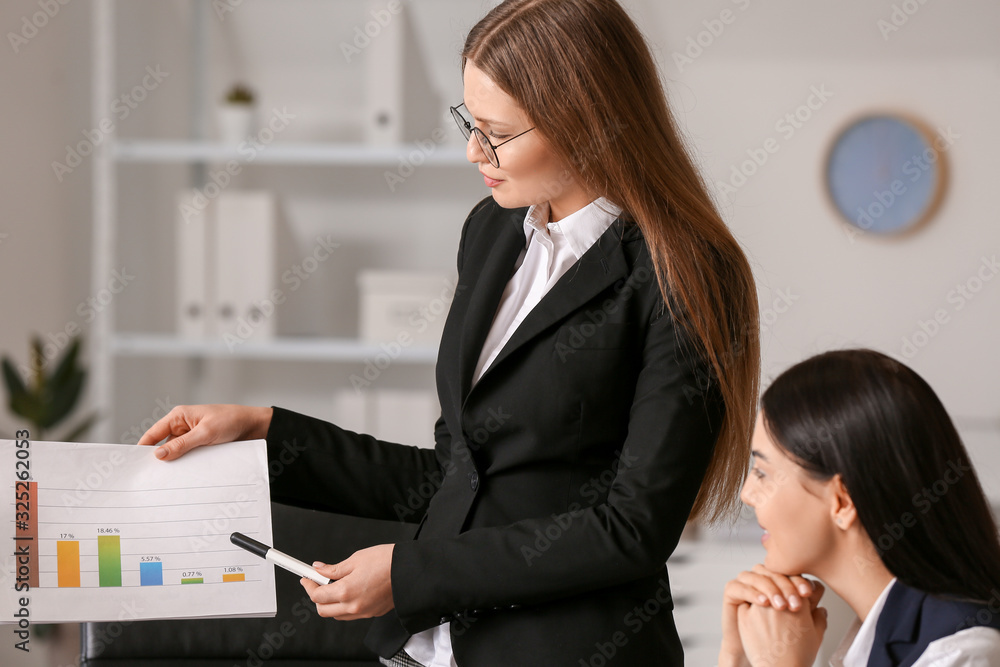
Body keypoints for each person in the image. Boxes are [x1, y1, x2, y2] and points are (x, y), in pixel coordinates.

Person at [139, 0, 761, 664]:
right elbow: (458, 475)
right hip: (426, 650)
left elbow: (632, 528)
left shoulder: (683, 272)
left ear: (587, 122)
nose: (473, 151)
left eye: (496, 132)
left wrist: (409, 575)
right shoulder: (492, 231)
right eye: (470, 122)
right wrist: (264, 428)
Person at [718, 348, 1000, 667]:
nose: (746, 493)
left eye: (762, 472)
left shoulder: (964, 653)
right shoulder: (872, 634)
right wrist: (736, 657)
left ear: (842, 501)